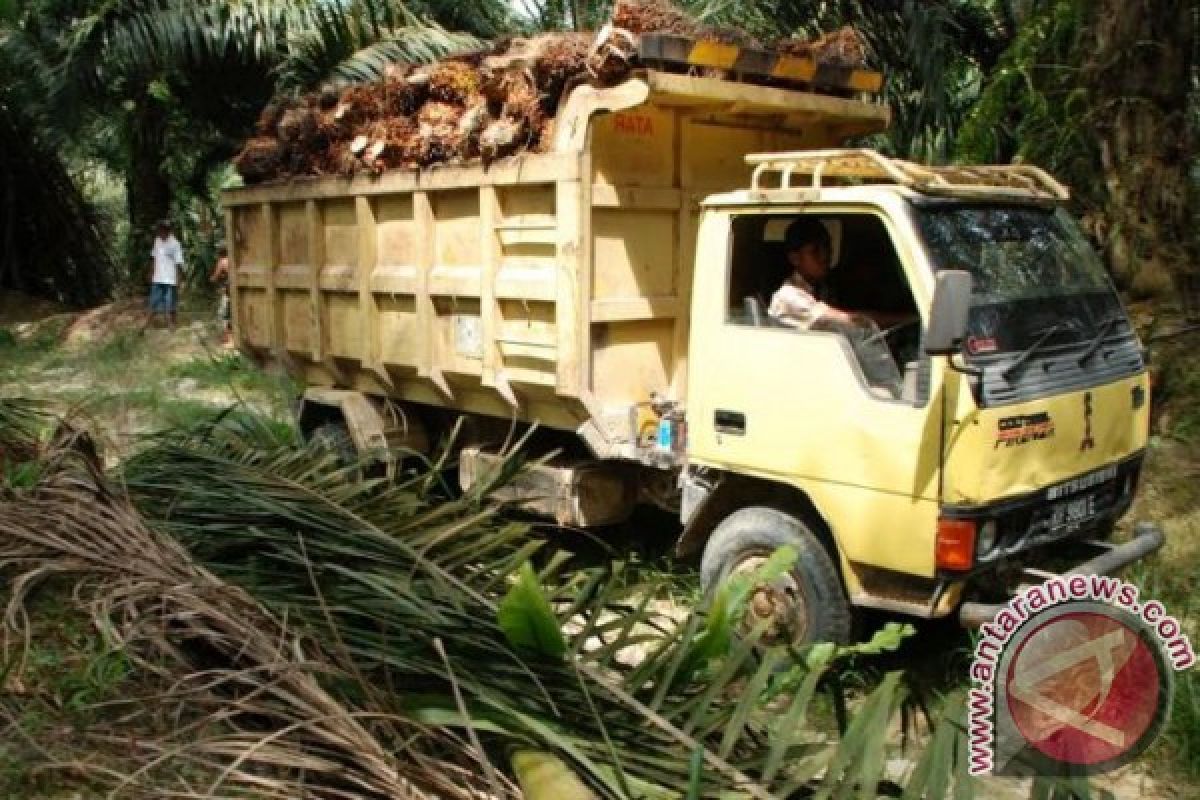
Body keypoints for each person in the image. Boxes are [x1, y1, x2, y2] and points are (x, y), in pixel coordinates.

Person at [146, 219, 184, 331]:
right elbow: (154, 257)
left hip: (170, 278)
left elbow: (178, 262)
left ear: (167, 231)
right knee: (154, 301)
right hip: (158, 277)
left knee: (170, 302)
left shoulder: (175, 244)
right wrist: (151, 272)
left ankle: (171, 324)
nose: (159, 233)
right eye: (158, 231)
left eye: (161, 230)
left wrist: (178, 278)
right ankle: (147, 324)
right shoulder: (157, 240)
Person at [209, 245, 232, 344]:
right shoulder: (233, 260)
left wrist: (212, 279)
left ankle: (227, 338)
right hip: (236, 290)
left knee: (224, 314)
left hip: (228, 291)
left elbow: (215, 277)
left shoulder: (222, 261)